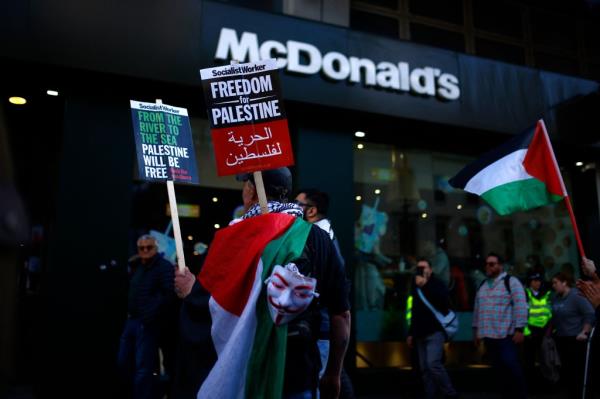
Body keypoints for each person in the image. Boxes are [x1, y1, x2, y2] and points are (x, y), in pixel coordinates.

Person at [175, 168, 351, 399]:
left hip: (242, 372)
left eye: (245, 184)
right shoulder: (318, 238)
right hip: (299, 370)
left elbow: (211, 305)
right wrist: (333, 373)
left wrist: (190, 291)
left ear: (251, 190)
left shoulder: (229, 239)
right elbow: (341, 315)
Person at [295, 188, 355, 399]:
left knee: (325, 383)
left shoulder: (320, 238)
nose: (292, 208)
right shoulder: (319, 235)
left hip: (322, 329)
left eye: (297, 204)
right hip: (324, 330)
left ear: (311, 211)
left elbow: (338, 296)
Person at [118, 234, 176, 399]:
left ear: (156, 248)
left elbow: (168, 293)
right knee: (124, 362)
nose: (145, 251)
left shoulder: (163, 266)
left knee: (143, 366)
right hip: (132, 320)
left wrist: (150, 312)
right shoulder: (138, 266)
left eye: (148, 247)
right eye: (141, 248)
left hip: (147, 322)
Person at [472, 252, 528, 399]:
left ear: (500, 266)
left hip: (506, 336)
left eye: (492, 264)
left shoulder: (511, 282)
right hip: (488, 336)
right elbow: (478, 309)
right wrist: (476, 331)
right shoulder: (483, 285)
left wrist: (519, 329)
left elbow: (521, 305)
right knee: (499, 372)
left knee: (512, 368)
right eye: (487, 264)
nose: (488, 266)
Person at [406, 258, 458, 399]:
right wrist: (410, 333)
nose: (421, 270)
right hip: (419, 334)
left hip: (435, 331)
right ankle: (431, 395)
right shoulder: (415, 286)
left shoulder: (437, 283)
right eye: (419, 268)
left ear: (431, 269)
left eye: (424, 267)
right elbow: (414, 310)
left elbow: (443, 301)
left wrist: (426, 284)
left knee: (433, 364)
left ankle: (450, 393)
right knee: (424, 369)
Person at [551, 271, 595, 398]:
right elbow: (554, 317)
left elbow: (589, 314)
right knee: (566, 371)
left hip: (576, 339)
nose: (553, 285)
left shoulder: (576, 296)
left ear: (564, 283)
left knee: (578, 371)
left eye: (555, 282)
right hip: (561, 338)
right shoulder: (556, 297)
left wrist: (584, 331)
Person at [522, 271, 552, 389]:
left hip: (544, 332)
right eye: (535, 281)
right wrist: (526, 332)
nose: (537, 283)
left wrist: (549, 330)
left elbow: (549, 312)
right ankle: (530, 386)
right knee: (529, 362)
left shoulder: (546, 293)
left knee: (546, 360)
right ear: (530, 282)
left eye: (539, 280)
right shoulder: (525, 293)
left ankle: (546, 385)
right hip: (530, 333)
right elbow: (522, 314)